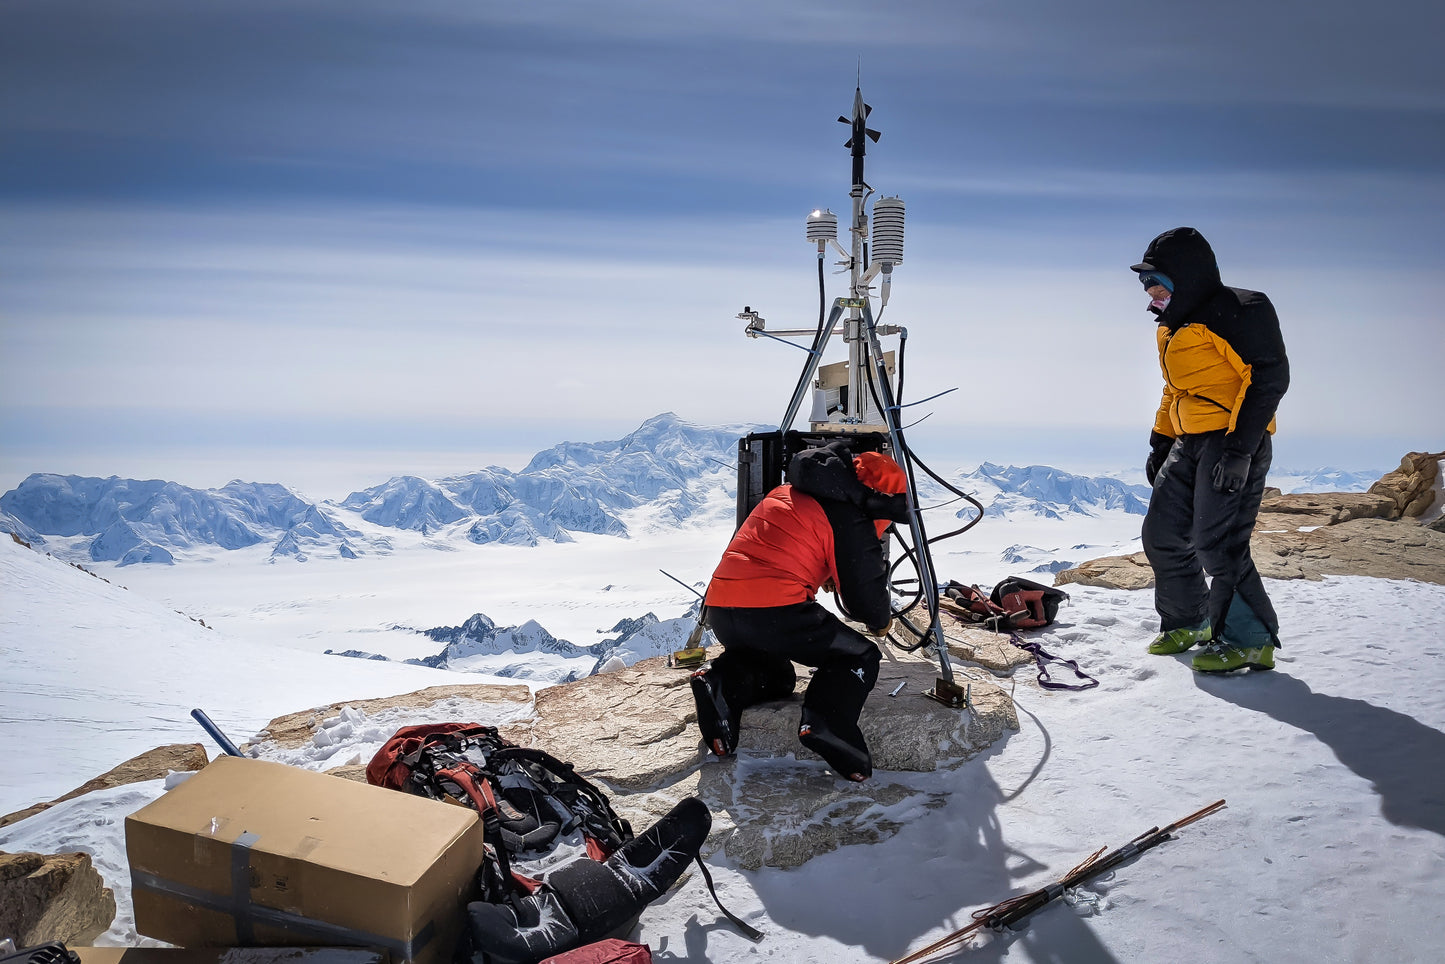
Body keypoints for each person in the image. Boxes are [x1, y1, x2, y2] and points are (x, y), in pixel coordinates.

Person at [690, 440, 911, 781]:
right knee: (859, 656)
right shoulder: (850, 516)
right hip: (773, 608)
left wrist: (828, 570)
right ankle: (828, 725)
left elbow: (793, 543)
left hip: (723, 607)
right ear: (876, 500)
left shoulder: (788, 490)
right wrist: (881, 622)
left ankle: (721, 683)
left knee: (780, 676)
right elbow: (865, 599)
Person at [1132, 227, 1290, 672]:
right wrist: (1161, 441)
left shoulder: (1240, 310)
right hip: (1189, 440)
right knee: (1163, 536)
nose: (1150, 290)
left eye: (1157, 280)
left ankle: (1250, 640)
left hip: (1234, 439)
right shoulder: (1171, 325)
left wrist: (1240, 450)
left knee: (1217, 544)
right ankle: (1190, 621)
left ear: (1187, 275)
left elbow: (1268, 378)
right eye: (1145, 282)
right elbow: (1175, 388)